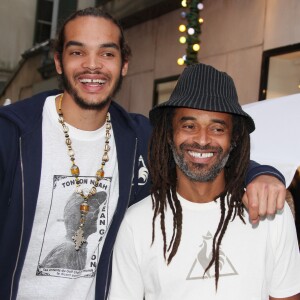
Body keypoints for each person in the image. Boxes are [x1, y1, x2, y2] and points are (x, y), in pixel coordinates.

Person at [0, 7, 286, 300]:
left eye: (107, 53)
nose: (93, 65)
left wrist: (263, 175)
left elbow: (205, 153)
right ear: (59, 61)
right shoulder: (12, 135)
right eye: (77, 52)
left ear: (124, 64)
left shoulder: (138, 136)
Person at [109, 63, 300, 300]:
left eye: (217, 128)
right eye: (189, 126)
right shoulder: (136, 223)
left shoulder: (271, 215)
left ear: (235, 138)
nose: (202, 140)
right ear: (170, 134)